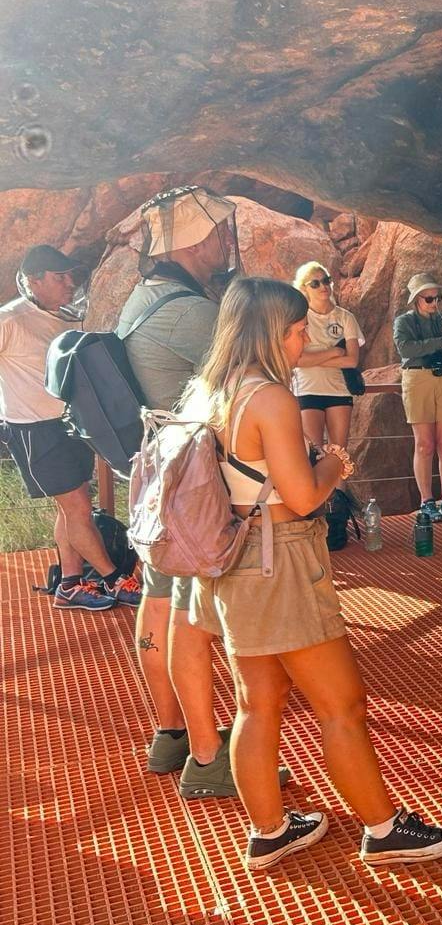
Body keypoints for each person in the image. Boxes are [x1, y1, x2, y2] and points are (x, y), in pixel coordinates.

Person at [182, 277, 442, 870]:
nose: (302, 338)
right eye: (295, 329)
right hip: (279, 556)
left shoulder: (212, 389)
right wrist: (335, 463)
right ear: (270, 333)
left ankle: (269, 830)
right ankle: (383, 829)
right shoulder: (271, 398)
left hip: (232, 557)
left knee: (256, 703)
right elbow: (304, 497)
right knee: (343, 705)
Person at [116, 186, 243, 797]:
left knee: (160, 603)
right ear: (196, 241)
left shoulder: (142, 298)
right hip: (190, 488)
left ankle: (169, 733)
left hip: (155, 479)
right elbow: (250, 375)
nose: (227, 243)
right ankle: (209, 757)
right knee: (192, 619)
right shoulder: (192, 312)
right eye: (220, 233)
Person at [0, 245, 140, 611]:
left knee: (72, 508)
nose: (69, 283)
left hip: (68, 426)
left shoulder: (65, 317)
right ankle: (114, 578)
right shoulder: (10, 319)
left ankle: (70, 584)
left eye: (70, 276)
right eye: (59, 277)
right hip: (33, 430)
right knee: (77, 507)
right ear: (34, 281)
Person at [393, 272, 442, 522]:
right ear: (416, 300)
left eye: (437, 298)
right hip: (417, 378)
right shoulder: (403, 322)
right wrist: (441, 342)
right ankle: (426, 500)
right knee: (424, 444)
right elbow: (406, 349)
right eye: (429, 299)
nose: (435, 303)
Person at [290, 261, 364, 450]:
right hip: (307, 390)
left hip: (339, 391)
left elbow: (352, 360)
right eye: (315, 283)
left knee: (339, 456)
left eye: (326, 281)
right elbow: (296, 360)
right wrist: (334, 352)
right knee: (312, 453)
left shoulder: (346, 317)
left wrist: (313, 360)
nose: (323, 287)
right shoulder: (298, 318)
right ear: (304, 288)